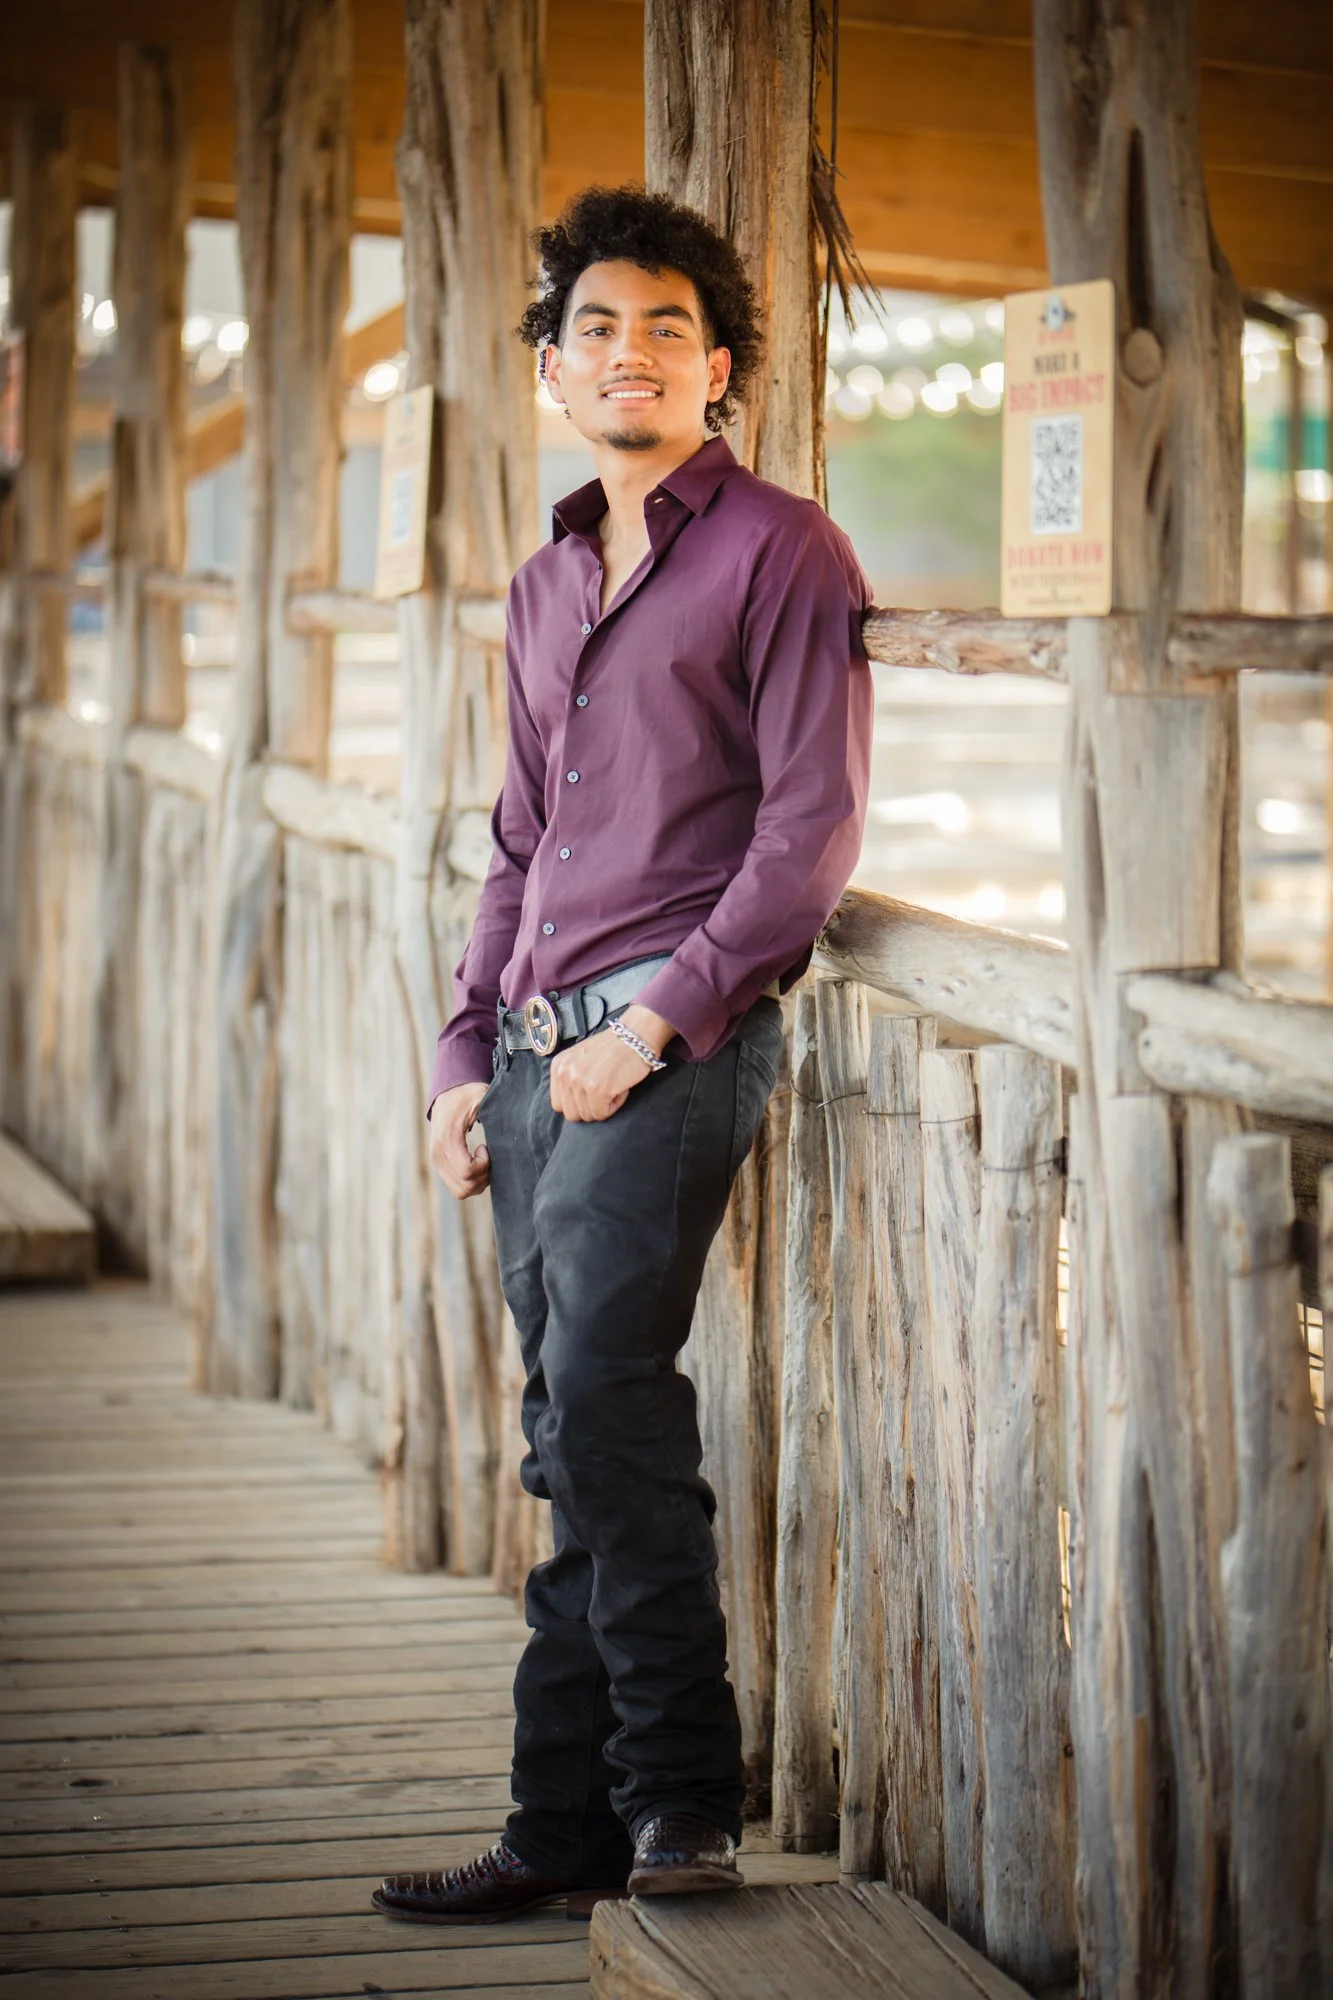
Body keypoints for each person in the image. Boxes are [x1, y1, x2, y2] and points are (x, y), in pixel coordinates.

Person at [373, 184, 872, 1928]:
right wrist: (462, 1054)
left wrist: (656, 1024)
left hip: (666, 1050)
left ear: (718, 368)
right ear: (553, 372)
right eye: (598, 327)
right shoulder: (545, 580)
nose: (632, 352)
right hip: (526, 1058)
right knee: (565, 1434)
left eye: (669, 327)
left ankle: (676, 1803)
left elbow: (808, 831)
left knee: (603, 1403)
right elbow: (519, 842)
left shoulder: (784, 552)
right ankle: (559, 1824)